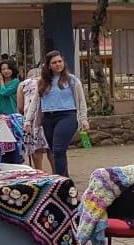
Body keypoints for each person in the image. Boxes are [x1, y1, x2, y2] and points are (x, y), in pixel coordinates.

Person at [24, 50, 88, 178]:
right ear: (49, 65)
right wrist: (27, 120)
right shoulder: (42, 82)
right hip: (48, 118)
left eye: (60, 61)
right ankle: (66, 181)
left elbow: (81, 101)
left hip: (67, 116)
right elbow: (35, 103)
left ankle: (60, 181)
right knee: (55, 152)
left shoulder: (72, 80)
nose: (58, 64)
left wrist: (83, 119)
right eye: (54, 62)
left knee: (58, 150)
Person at [17, 66, 51, 171]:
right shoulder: (48, 82)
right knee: (52, 149)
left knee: (36, 149)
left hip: (30, 119)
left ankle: (39, 174)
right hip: (47, 117)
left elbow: (20, 107)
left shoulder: (22, 85)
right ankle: (58, 174)